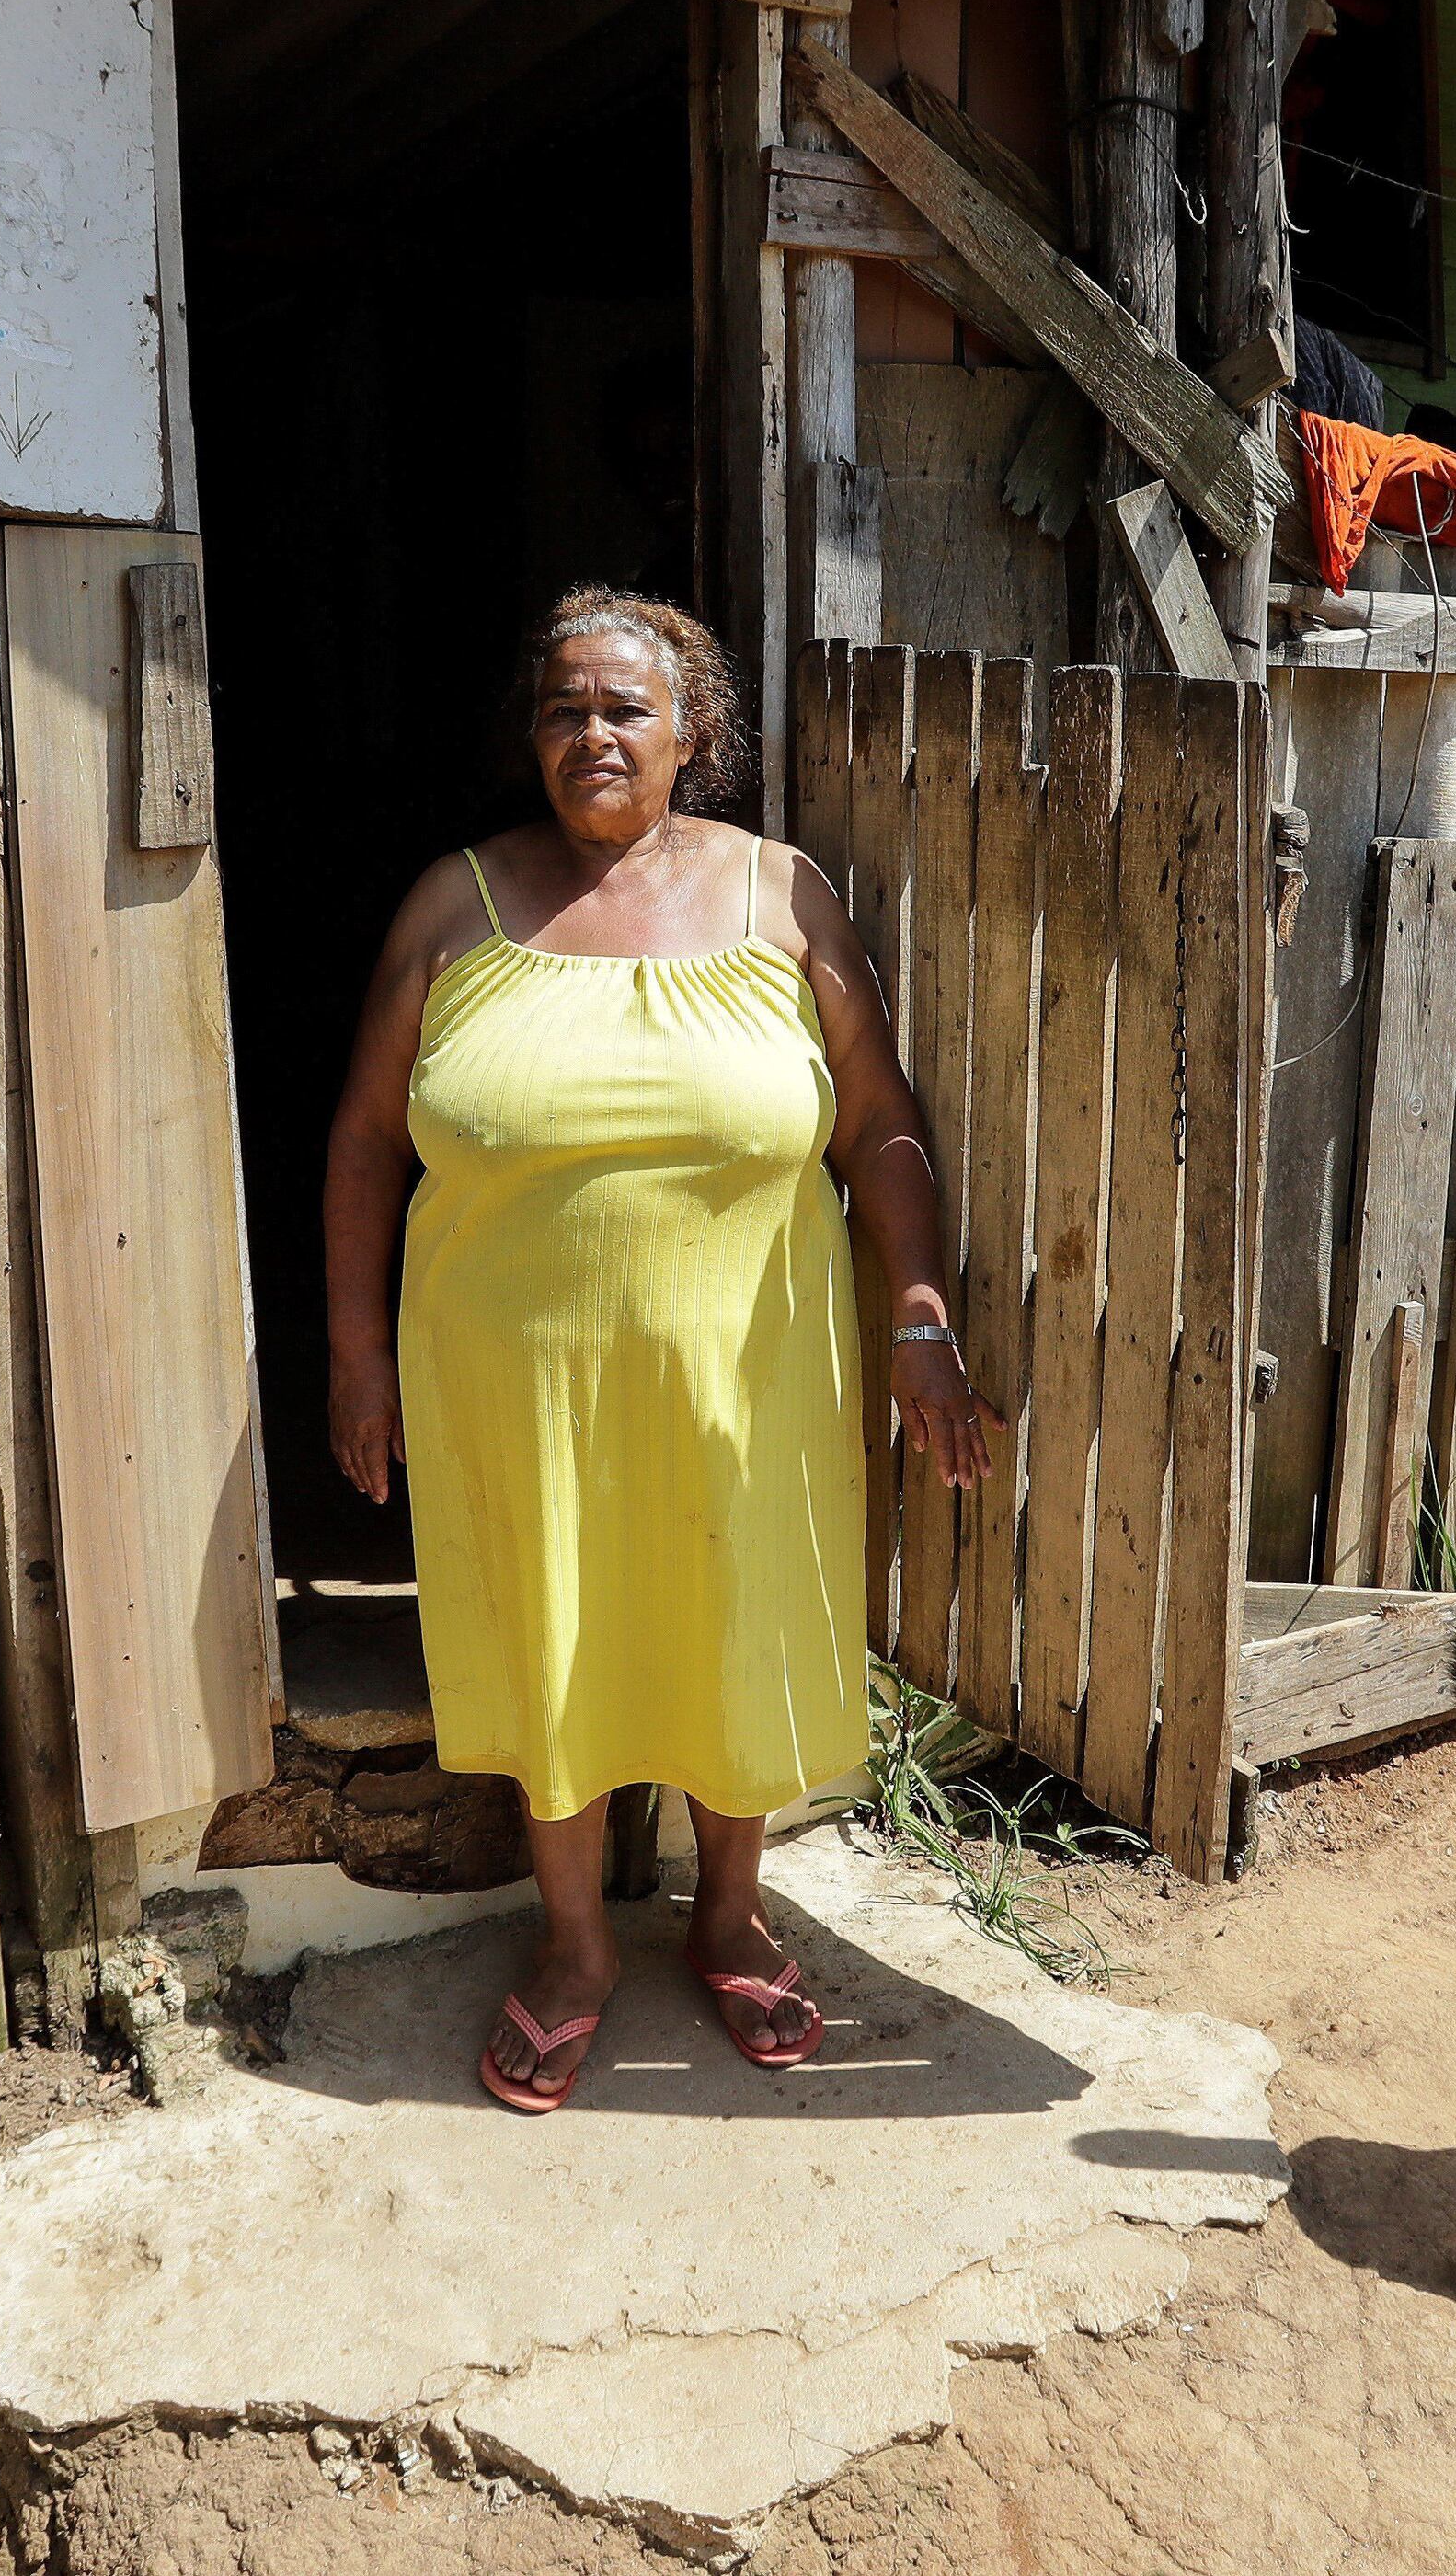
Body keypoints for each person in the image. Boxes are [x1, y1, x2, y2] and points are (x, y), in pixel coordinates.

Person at [317, 589, 988, 2113]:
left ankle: (728, 1907)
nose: (591, 732)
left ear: (697, 733)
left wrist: (922, 1310)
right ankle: (570, 1944)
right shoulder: (456, 906)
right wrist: (358, 1351)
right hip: (517, 1379)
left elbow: (878, 1115)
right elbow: (365, 1137)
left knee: (732, 1611)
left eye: (625, 705)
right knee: (550, 1623)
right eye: (562, 706)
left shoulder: (783, 897)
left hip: (746, 1369)